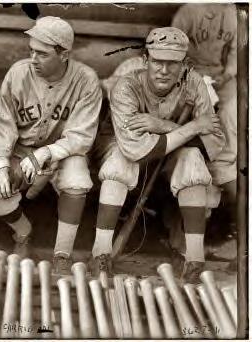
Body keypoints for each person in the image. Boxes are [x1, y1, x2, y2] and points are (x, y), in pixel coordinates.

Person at [90, 27, 225, 282]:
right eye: (157, 62)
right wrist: (193, 128)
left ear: (184, 64)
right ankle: (101, 252)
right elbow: (135, 149)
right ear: (145, 61)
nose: (163, 70)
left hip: (168, 158)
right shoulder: (126, 85)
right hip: (120, 153)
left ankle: (193, 259)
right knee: (122, 162)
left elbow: (214, 145)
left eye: (172, 64)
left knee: (193, 160)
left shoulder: (195, 83)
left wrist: (164, 126)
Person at [0, 16, 102, 272]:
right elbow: (2, 123)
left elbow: (80, 136)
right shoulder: (19, 73)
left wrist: (46, 153)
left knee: (78, 180)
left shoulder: (86, 80)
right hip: (21, 149)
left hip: (65, 151)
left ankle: (62, 253)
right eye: (31, 51)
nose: (33, 58)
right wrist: (2, 167)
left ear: (64, 54)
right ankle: (23, 232)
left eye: (43, 54)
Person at [172, 3, 238, 253]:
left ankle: (222, 173)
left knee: (234, 110)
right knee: (199, 124)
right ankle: (185, 234)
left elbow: (237, 52)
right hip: (189, 76)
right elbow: (172, 48)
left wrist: (228, 75)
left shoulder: (232, 12)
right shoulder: (190, 10)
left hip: (221, 78)